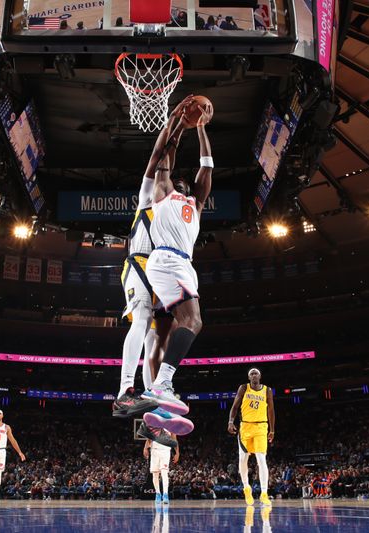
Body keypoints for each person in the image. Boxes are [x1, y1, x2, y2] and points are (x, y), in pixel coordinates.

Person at [112, 98, 189, 422]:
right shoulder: (148, 198)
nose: (177, 192)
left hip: (159, 273)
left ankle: (151, 412)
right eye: (175, 187)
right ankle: (124, 393)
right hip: (138, 264)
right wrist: (175, 125)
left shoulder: (178, 220)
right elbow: (159, 159)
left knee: (154, 342)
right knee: (142, 320)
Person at [141, 96, 213, 435]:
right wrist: (179, 126)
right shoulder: (163, 193)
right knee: (192, 320)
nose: (183, 183)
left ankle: (159, 397)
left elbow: (207, 167)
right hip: (166, 258)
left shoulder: (196, 205)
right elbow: (165, 159)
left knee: (181, 326)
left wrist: (201, 129)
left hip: (182, 264)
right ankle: (161, 384)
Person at [227, 368, 275, 506]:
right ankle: (246, 488)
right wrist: (231, 421)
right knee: (243, 458)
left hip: (261, 427)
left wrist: (272, 430)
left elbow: (271, 410)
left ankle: (264, 493)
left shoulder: (267, 390)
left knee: (261, 459)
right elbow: (235, 406)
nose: (254, 375)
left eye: (256, 373)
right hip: (245, 427)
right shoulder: (243, 388)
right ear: (249, 377)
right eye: (251, 374)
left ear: (260, 376)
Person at [144, 431, 179, 505]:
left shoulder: (171, 427)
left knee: (164, 473)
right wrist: (145, 448)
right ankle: (158, 494)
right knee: (155, 474)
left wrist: (177, 453)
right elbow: (149, 438)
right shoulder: (154, 424)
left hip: (165, 451)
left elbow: (174, 440)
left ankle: (165, 494)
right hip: (154, 451)